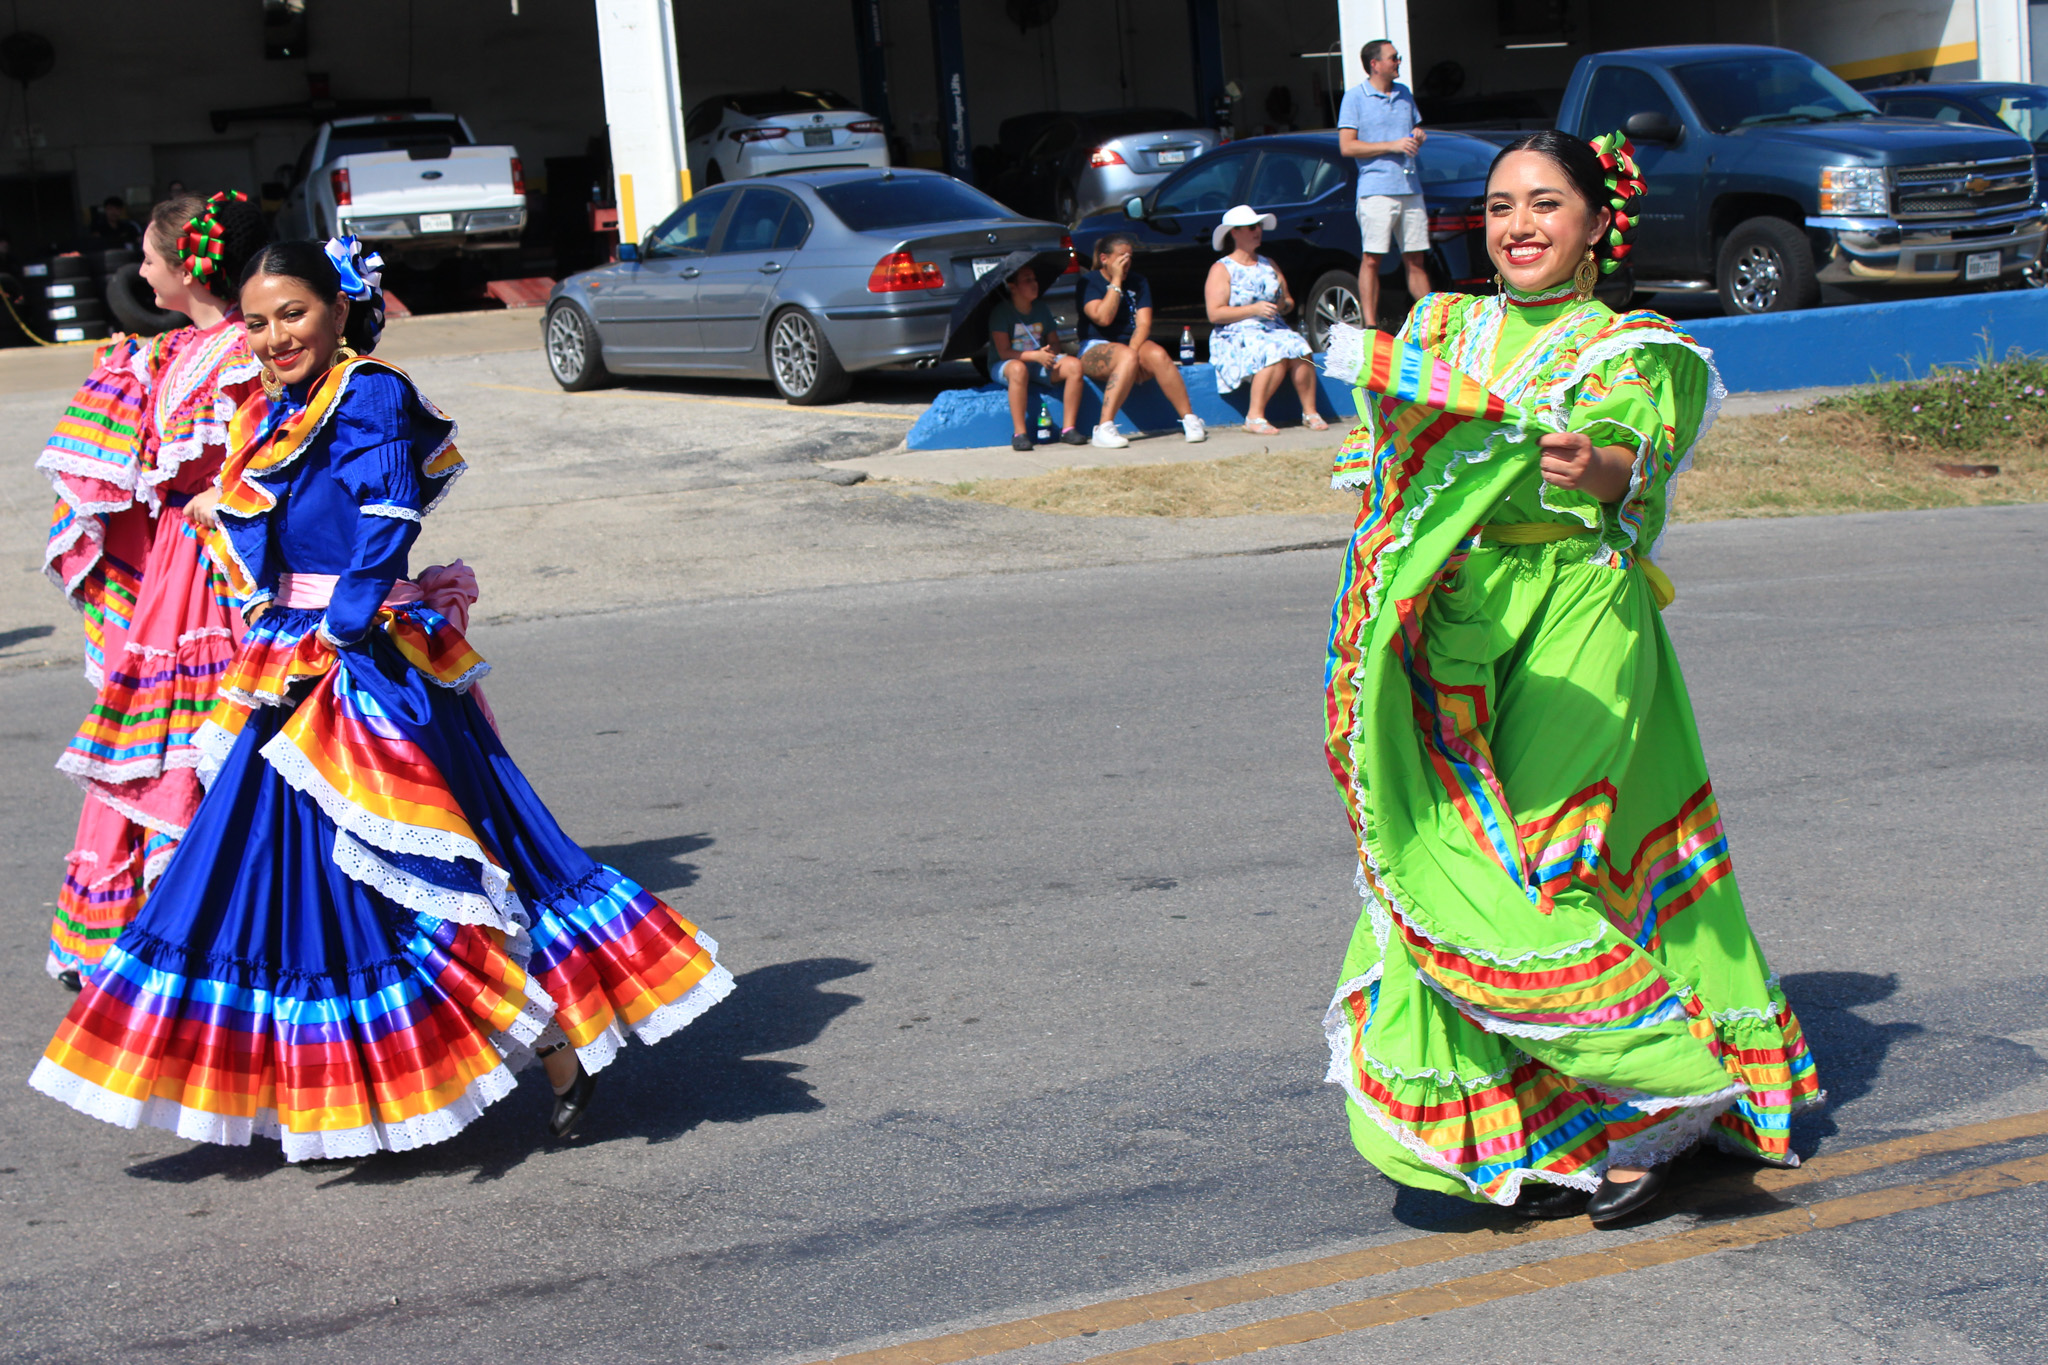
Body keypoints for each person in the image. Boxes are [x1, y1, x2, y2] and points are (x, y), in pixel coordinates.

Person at [29, 237, 735, 1159]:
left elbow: (385, 517)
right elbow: (273, 526)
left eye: (293, 313)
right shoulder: (280, 405)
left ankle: (553, 1038)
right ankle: (345, 1081)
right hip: (286, 661)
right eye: (256, 322)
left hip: (358, 665)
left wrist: (347, 625)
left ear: (337, 305)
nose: (276, 336)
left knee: (430, 868)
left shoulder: (369, 391)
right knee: (277, 872)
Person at [1318, 130, 1821, 1228]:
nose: (1517, 226)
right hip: (1454, 622)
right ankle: (1553, 1113)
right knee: (1440, 845)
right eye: (1499, 206)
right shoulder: (1444, 329)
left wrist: (1590, 466)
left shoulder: (1629, 347)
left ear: (1598, 222)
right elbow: (1383, 454)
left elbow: (1624, 457)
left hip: (1577, 619)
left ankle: (1662, 1098)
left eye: (1545, 203)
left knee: (1548, 856)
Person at [35, 191, 270, 988]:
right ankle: (142, 923)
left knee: (206, 737)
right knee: (162, 732)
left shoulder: (247, 349)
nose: (137, 267)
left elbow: (268, 454)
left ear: (189, 266)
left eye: (148, 256)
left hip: (221, 572)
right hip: (176, 563)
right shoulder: (175, 350)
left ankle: (209, 921)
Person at [1203, 206, 1325, 435]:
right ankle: (1254, 415)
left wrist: (1280, 306)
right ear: (1235, 233)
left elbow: (1287, 300)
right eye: (1250, 227)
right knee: (1272, 351)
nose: (1257, 231)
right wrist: (1254, 309)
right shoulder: (1222, 268)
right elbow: (1215, 314)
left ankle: (1310, 412)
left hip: (1272, 327)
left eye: (1257, 226)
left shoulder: (1268, 263)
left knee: (1300, 346)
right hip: (1236, 333)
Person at [1077, 233, 1206, 448]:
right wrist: (1116, 281)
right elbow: (1103, 317)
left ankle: (1190, 419)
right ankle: (1103, 427)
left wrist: (1135, 353)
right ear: (1104, 259)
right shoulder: (1088, 282)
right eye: (1121, 257)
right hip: (1096, 345)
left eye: (1130, 257)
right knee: (1126, 356)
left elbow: (1144, 324)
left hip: (1131, 345)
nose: (1126, 262)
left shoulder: (1139, 282)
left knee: (1158, 354)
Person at [1337, 40, 1429, 332]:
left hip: (1410, 186)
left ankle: (1432, 321)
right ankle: (1371, 325)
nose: (1398, 61)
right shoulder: (1354, 98)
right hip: (1376, 189)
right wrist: (1393, 144)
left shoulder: (1404, 93)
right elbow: (1347, 146)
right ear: (1375, 64)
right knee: (1372, 258)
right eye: (1393, 58)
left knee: (1415, 259)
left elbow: (1414, 130)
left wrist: (1417, 134)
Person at [989, 263, 1086, 452]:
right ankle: (1020, 433)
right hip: (1008, 364)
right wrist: (1034, 355)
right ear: (1013, 287)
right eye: (1027, 280)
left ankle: (1068, 428)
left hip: (1038, 361)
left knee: (1074, 366)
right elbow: (1004, 352)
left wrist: (1050, 352)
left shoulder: (1041, 309)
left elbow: (1054, 342)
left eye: (1034, 279)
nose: (1034, 284)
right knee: (1018, 368)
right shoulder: (1001, 313)